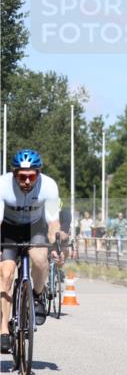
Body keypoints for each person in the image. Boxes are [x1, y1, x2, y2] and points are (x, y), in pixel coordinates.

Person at [0, 149, 62, 353]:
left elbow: (53, 222)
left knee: (40, 258)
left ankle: (37, 295)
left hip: (35, 228)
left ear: (38, 173)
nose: (27, 181)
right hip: (8, 229)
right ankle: (3, 331)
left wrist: (56, 246)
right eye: (22, 177)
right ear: (14, 174)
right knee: (6, 274)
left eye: (31, 176)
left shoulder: (49, 186)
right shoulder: (2, 185)